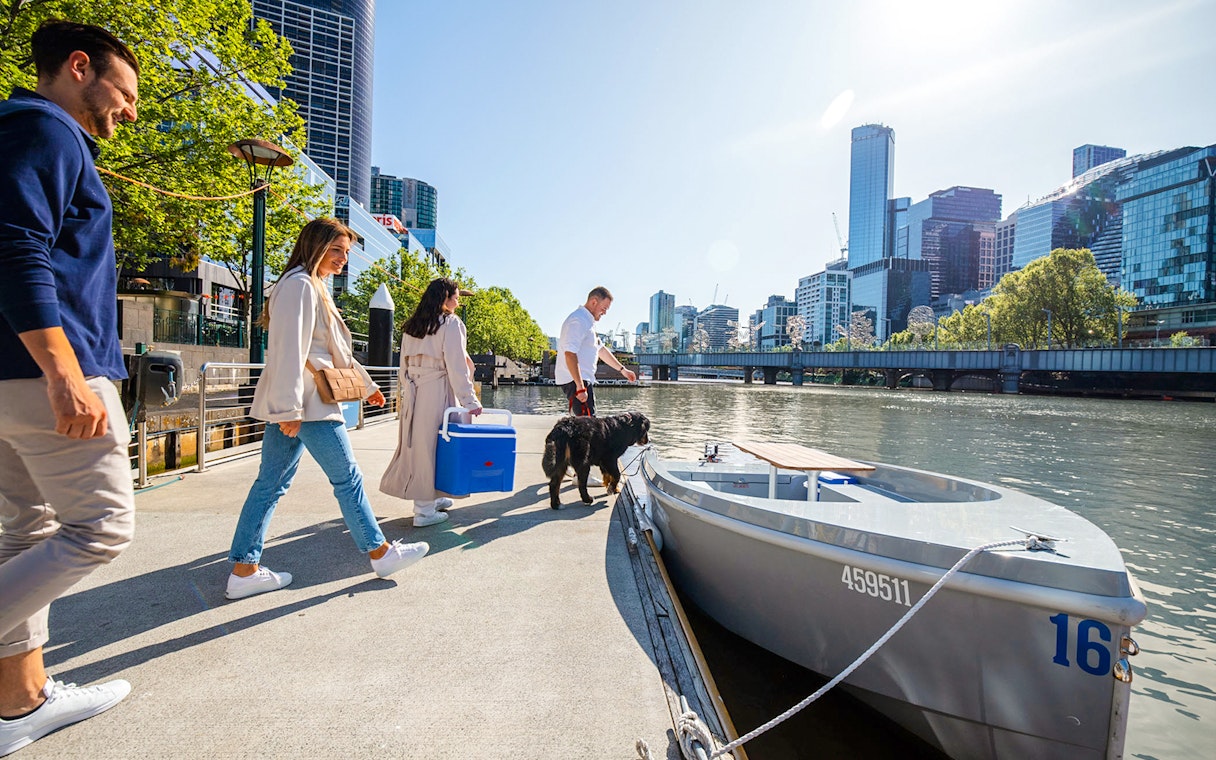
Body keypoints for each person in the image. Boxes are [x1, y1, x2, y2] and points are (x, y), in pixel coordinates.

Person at [0, 20, 141, 755]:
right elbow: (17, 246)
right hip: (44, 375)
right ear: (79, 67)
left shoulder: (22, 131)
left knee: (22, 533)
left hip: (9, 375)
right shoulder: (46, 132)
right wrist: (65, 373)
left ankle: (19, 706)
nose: (130, 113)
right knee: (104, 527)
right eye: (126, 94)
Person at [224, 218, 430, 600]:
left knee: (270, 485)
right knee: (346, 478)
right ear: (315, 245)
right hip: (308, 403)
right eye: (336, 250)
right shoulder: (300, 286)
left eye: (346, 253)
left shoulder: (312, 286)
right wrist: (287, 409)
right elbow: (289, 350)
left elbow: (333, 350)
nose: (342, 259)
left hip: (302, 402)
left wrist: (367, 387)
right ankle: (380, 552)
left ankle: (244, 570)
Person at [380, 278, 483, 527]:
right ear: (445, 299)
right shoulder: (450, 324)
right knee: (437, 445)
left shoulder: (412, 326)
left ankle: (431, 497)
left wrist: (408, 390)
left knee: (417, 445)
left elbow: (403, 366)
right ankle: (424, 510)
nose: (458, 303)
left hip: (414, 391)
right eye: (456, 297)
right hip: (437, 389)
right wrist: (470, 400)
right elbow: (456, 365)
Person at [556, 286, 637, 417]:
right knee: (588, 426)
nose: (605, 313)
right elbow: (570, 354)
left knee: (587, 425)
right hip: (576, 380)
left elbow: (601, 350)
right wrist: (580, 386)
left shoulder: (588, 322)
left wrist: (623, 370)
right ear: (594, 302)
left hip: (581, 380)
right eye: (604, 308)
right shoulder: (578, 321)